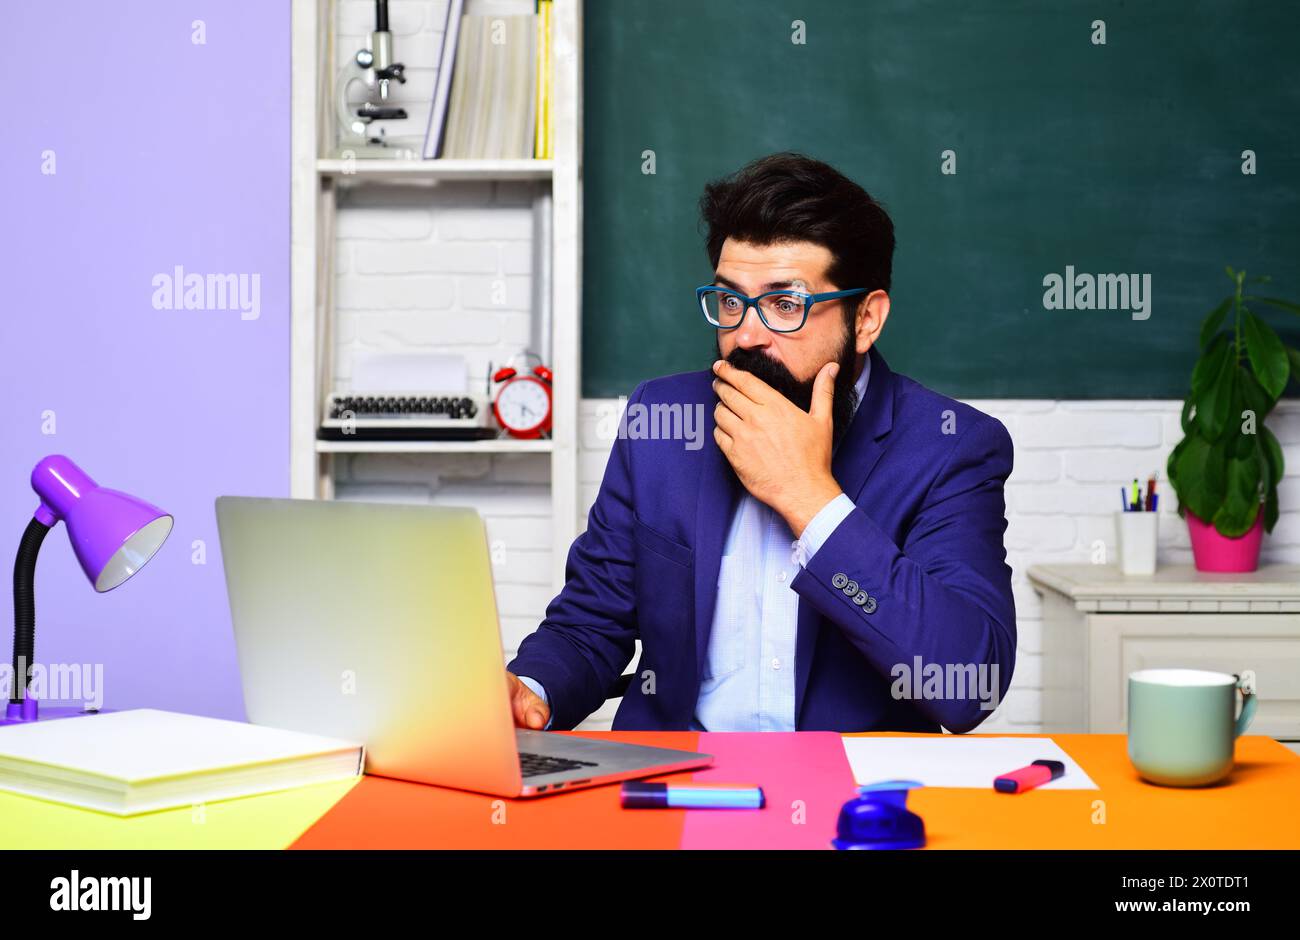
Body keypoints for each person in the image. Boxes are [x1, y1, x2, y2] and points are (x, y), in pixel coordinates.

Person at [506, 152, 1016, 733]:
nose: (746, 334)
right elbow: (591, 623)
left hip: (851, 798)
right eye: (730, 301)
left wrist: (810, 499)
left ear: (867, 319)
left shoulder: (950, 447)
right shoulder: (663, 422)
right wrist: (528, 691)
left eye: (784, 304)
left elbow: (969, 683)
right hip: (674, 783)